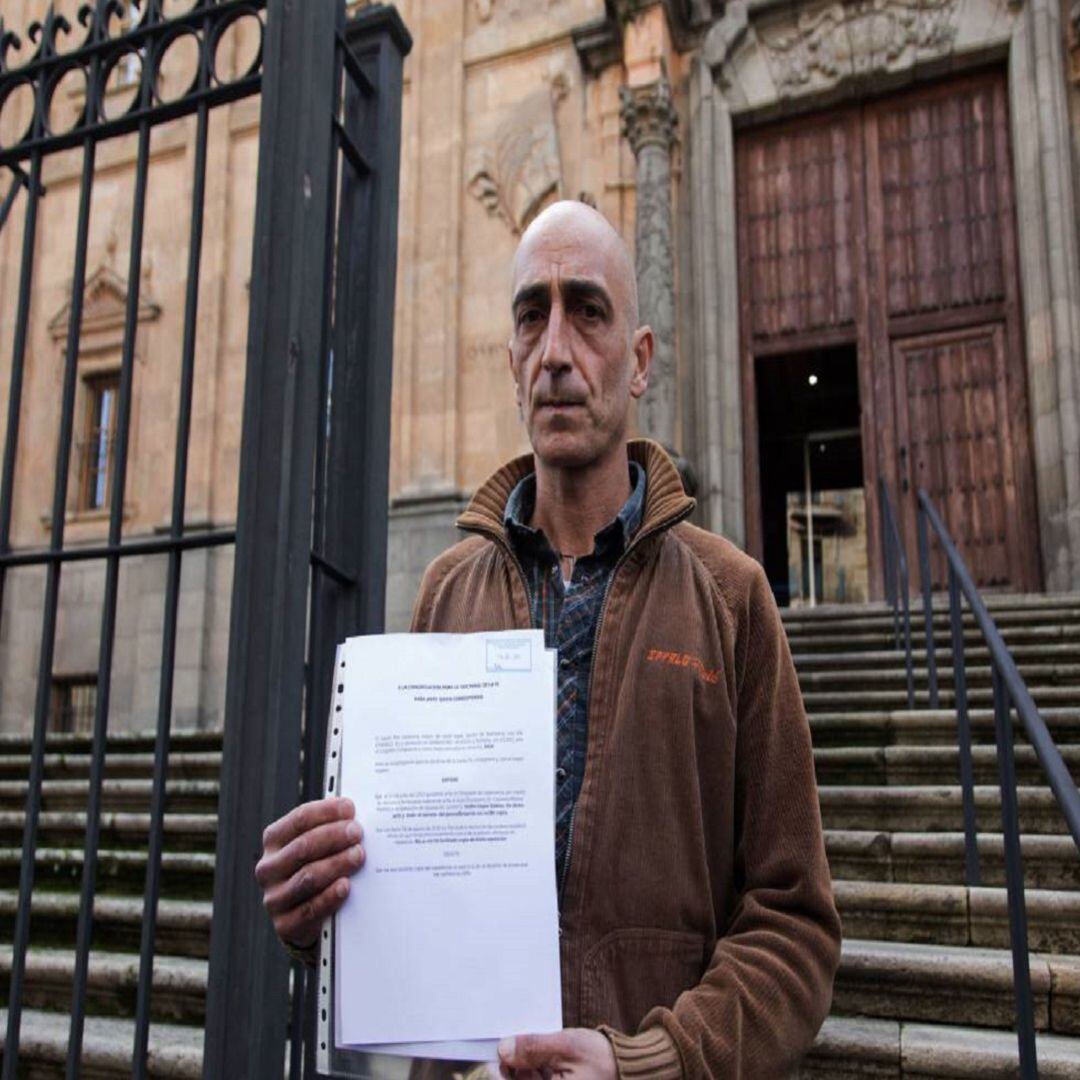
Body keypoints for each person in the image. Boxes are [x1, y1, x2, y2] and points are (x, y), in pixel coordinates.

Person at [255, 200, 841, 1078]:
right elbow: (408, 895)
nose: (556, 351)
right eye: (533, 316)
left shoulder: (730, 600)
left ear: (639, 360)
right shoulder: (447, 592)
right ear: (510, 361)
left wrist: (650, 1062)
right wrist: (322, 908)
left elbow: (795, 927)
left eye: (588, 311)